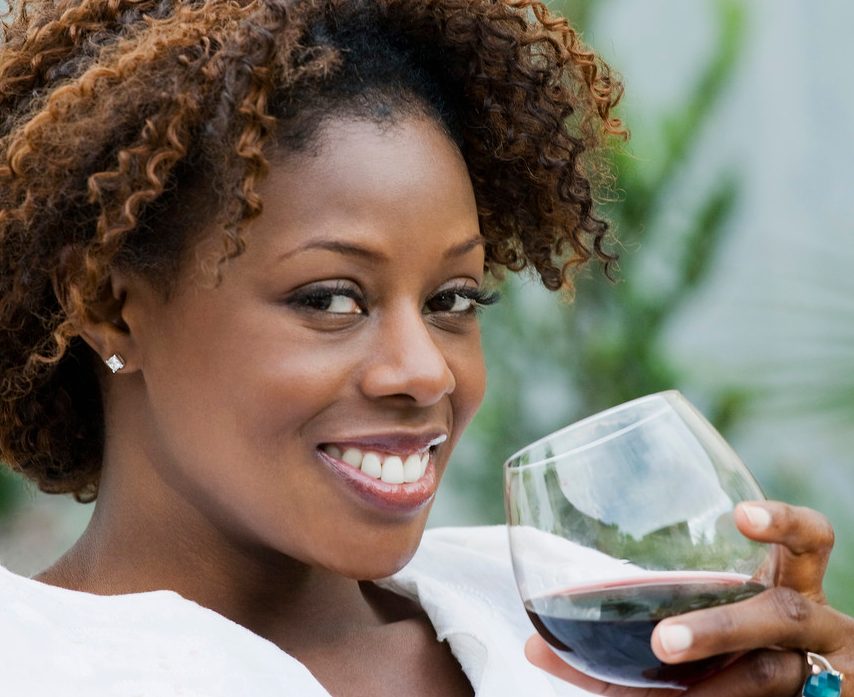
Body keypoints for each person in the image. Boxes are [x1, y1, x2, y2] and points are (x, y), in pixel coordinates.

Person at [0, 0, 851, 695]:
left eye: (453, 299)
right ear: (108, 304)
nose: (425, 370)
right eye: (330, 298)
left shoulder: (561, 608)